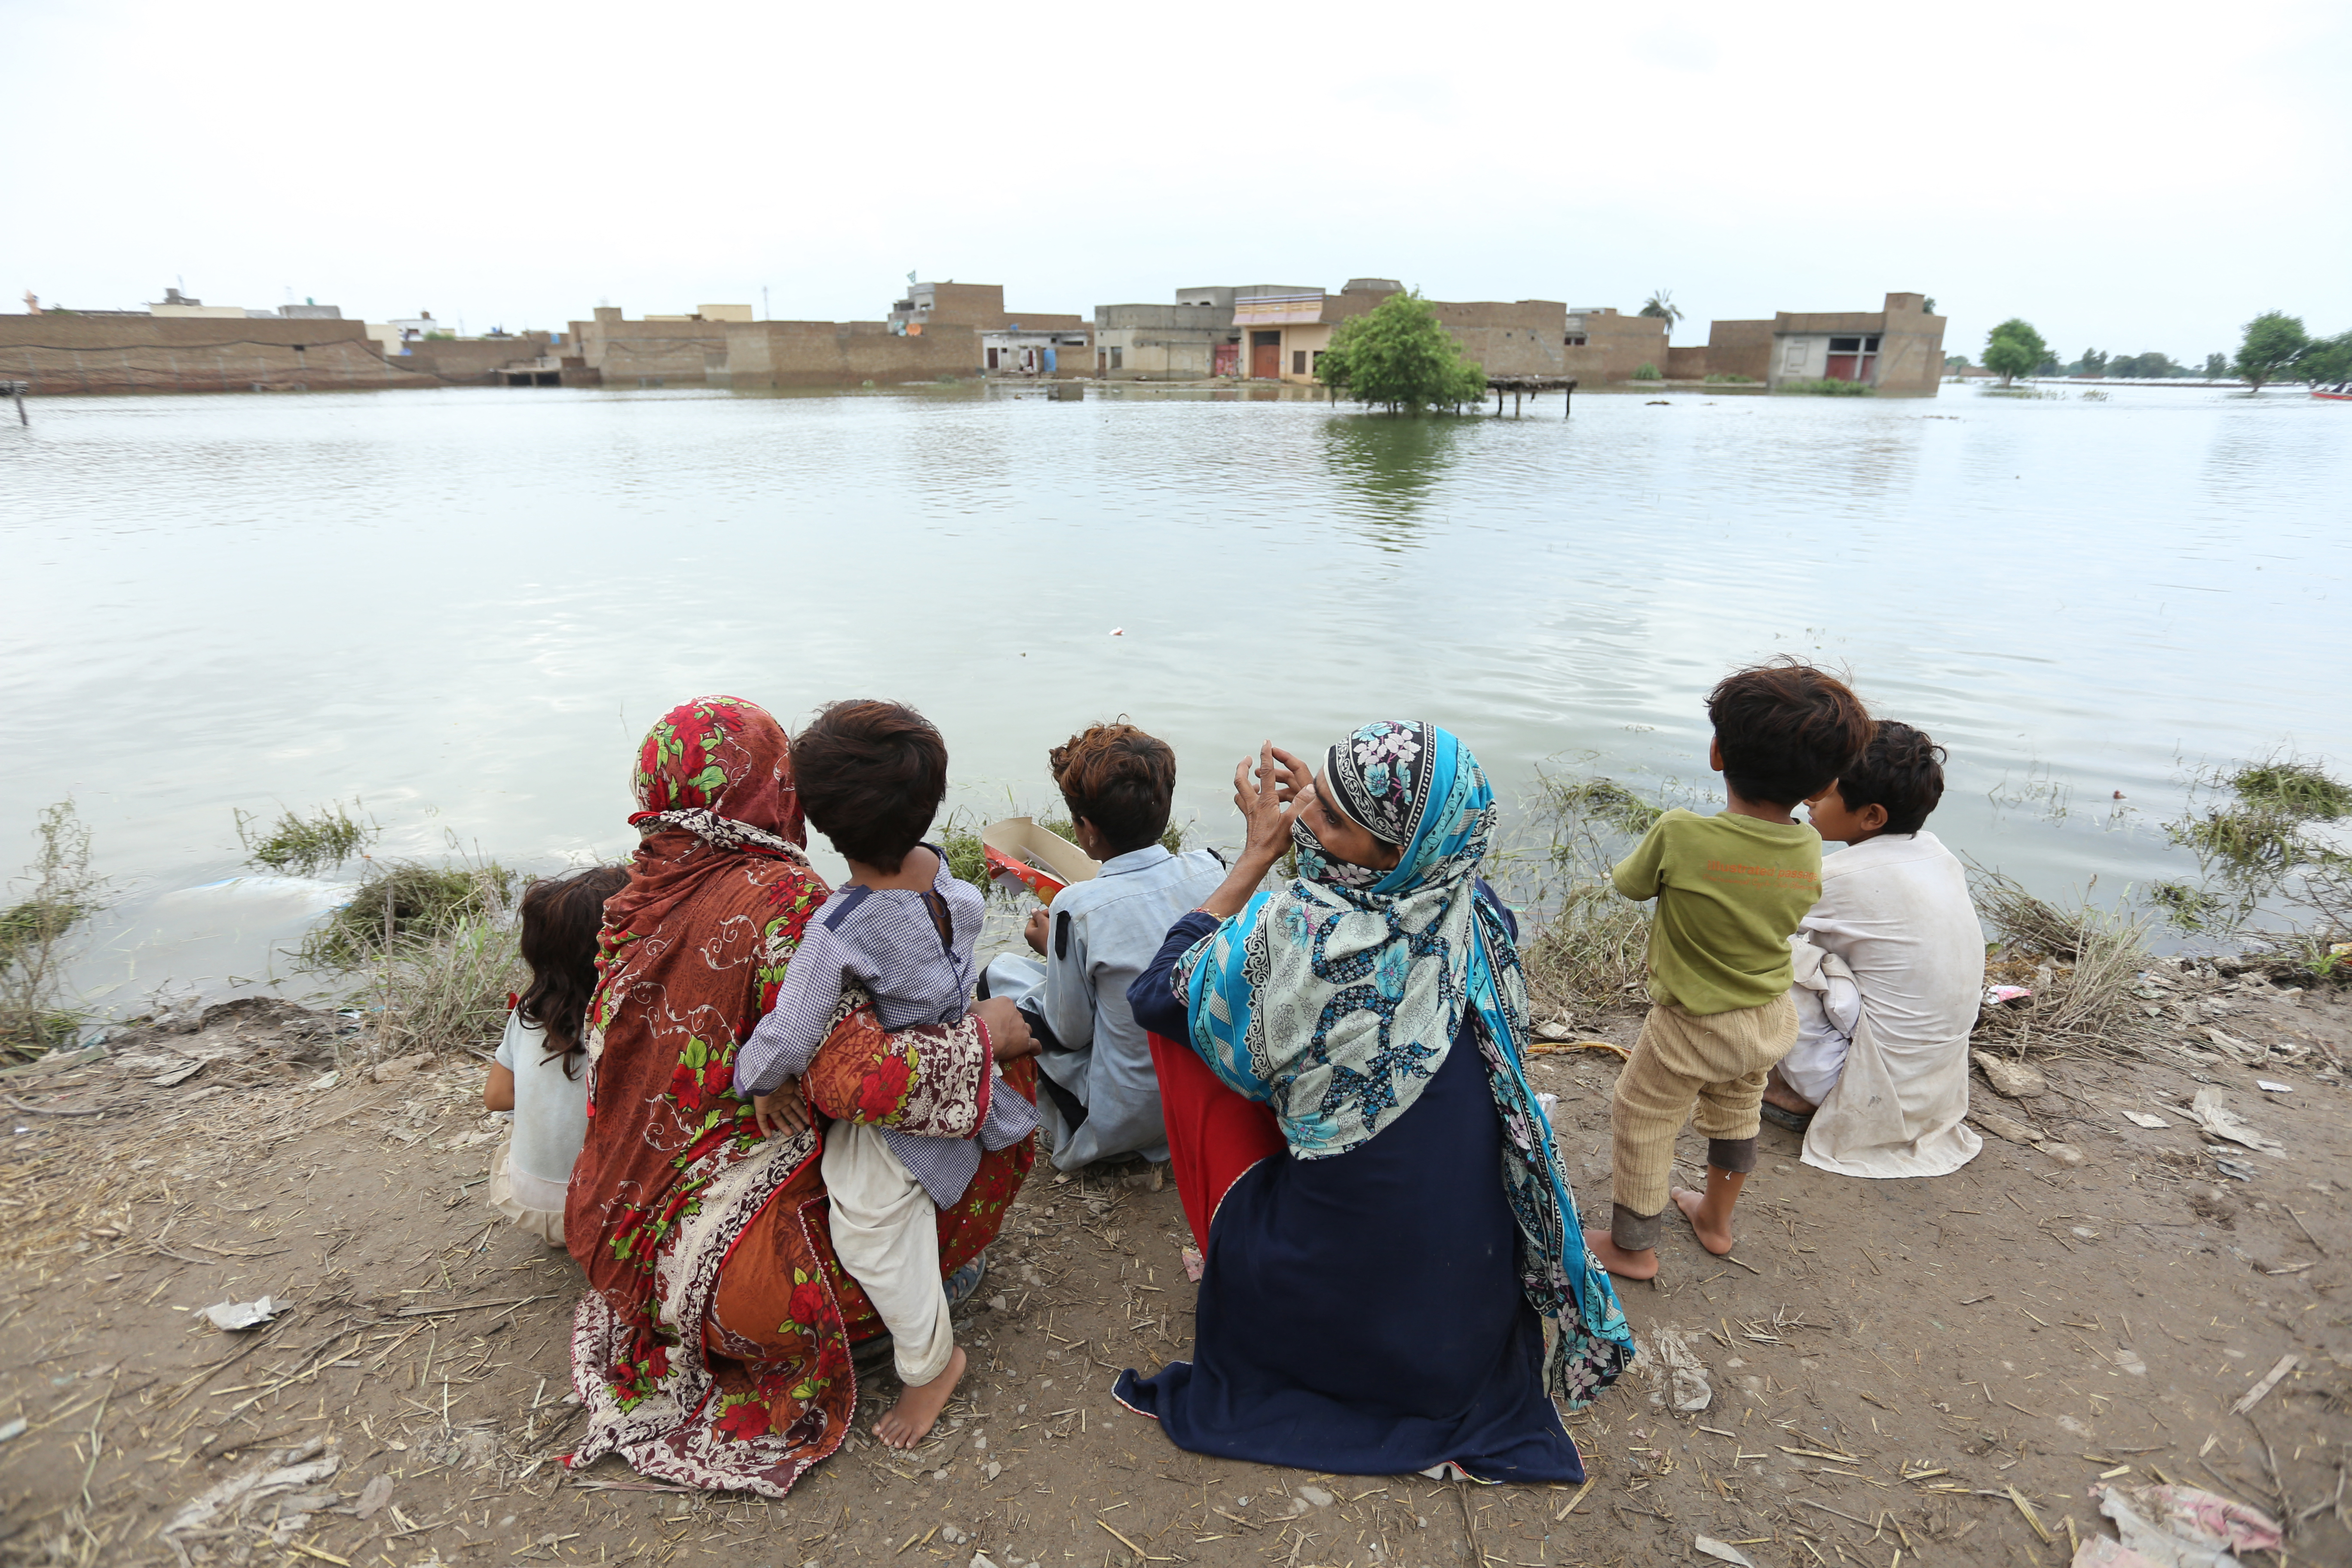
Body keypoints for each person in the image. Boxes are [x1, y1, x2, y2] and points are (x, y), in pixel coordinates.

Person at [1116, 724, 1633, 1481]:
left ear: (1394, 856)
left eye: (1325, 817)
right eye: (1311, 795)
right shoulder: (1479, 908)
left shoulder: (1296, 933)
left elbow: (1154, 988)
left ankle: (1235, 1239)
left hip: (1339, 1304)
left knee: (1193, 1036)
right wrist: (1330, 811)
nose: (1298, 819)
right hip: (1462, 1322)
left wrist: (1257, 855)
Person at [564, 695, 1039, 1498]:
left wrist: (760, 1077)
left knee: (952, 1078)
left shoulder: (639, 893)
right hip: (740, 1284)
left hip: (617, 1232)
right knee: (997, 1075)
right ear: (772, 792)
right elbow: (861, 1079)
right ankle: (930, 1309)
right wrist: (996, 1034)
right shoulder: (799, 904)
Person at [733, 700, 1037, 1449]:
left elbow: (793, 1034)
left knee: (864, 1223)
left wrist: (755, 1077)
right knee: (891, 1206)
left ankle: (931, 1363)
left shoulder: (837, 929)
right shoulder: (944, 876)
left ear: (819, 821)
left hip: (910, 1108)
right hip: (969, 1068)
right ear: (929, 801)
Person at [1589, 662, 1872, 1281]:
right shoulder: (1807, 847)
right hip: (1769, 1016)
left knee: (1642, 1116)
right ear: (1824, 784)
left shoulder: (1680, 833)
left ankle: (1633, 1248)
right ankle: (1715, 1222)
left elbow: (1629, 885)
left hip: (1691, 1021)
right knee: (1736, 1113)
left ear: (1718, 752)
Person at [979, 722, 1227, 1171]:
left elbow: (1069, 1031)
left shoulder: (1078, 906)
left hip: (1129, 1113)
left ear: (1088, 829)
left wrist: (1048, 947)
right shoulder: (1213, 870)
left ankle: (1047, 1122)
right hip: (1204, 1098)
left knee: (996, 976)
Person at [1759, 721, 1986, 1177]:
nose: (1809, 798)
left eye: (1824, 792)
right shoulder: (1938, 855)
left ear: (1872, 817)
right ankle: (1801, 1080)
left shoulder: (1841, 876)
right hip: (1931, 1091)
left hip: (1869, 1092)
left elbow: (1749, 918)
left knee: (1771, 953)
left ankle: (1796, 1094)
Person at [482, 864, 631, 1245]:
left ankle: (560, 1232)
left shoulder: (528, 1013)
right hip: (609, 1214)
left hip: (530, 1205)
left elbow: (496, 1098)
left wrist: (547, 1097)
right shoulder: (635, 1016)